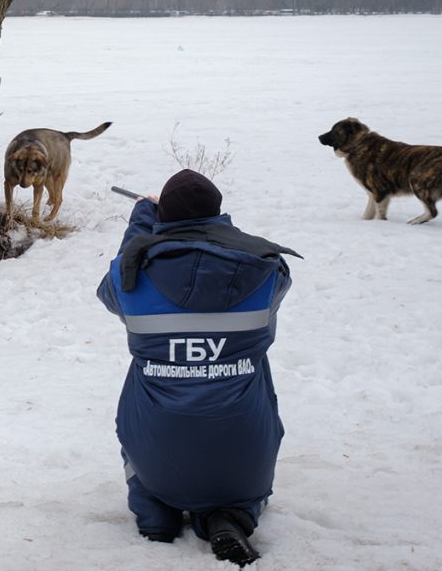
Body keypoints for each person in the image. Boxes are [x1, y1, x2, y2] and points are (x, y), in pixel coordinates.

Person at [96, 169, 300, 567]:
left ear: (164, 218)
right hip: (244, 458)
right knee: (252, 371)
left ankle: (157, 514)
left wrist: (143, 221)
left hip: (159, 455)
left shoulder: (132, 277)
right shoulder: (267, 270)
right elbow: (235, 256)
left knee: (146, 390)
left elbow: (115, 282)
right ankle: (231, 515)